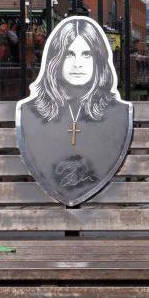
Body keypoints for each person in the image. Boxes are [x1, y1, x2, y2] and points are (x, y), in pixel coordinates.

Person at [16, 16, 132, 206]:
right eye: (69, 54)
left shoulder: (119, 112)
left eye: (86, 54)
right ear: (56, 59)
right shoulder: (29, 112)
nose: (78, 63)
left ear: (98, 60)